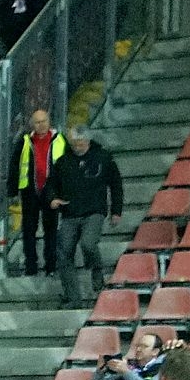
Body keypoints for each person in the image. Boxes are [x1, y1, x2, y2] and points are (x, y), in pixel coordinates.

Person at [47, 129, 122, 307]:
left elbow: (116, 184)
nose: (77, 147)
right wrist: (53, 198)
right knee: (64, 254)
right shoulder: (63, 162)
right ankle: (73, 298)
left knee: (88, 243)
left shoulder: (103, 157)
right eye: (74, 144)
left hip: (94, 212)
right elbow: (51, 184)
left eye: (81, 143)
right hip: (70, 213)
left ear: (88, 141)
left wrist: (116, 211)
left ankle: (96, 269)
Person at [14, 109, 66, 277]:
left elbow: (68, 166)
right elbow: (15, 165)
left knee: (51, 230)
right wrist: (12, 190)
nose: (41, 125)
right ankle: (31, 266)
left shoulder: (60, 139)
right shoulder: (24, 141)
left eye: (44, 121)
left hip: (52, 192)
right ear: (32, 125)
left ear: (49, 121)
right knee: (29, 230)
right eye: (38, 122)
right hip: (30, 192)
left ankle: (51, 266)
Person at [97, 331, 166, 380]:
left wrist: (126, 372)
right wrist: (101, 372)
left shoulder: (160, 368)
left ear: (155, 351)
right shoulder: (130, 364)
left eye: (144, 346)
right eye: (138, 346)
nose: (139, 349)